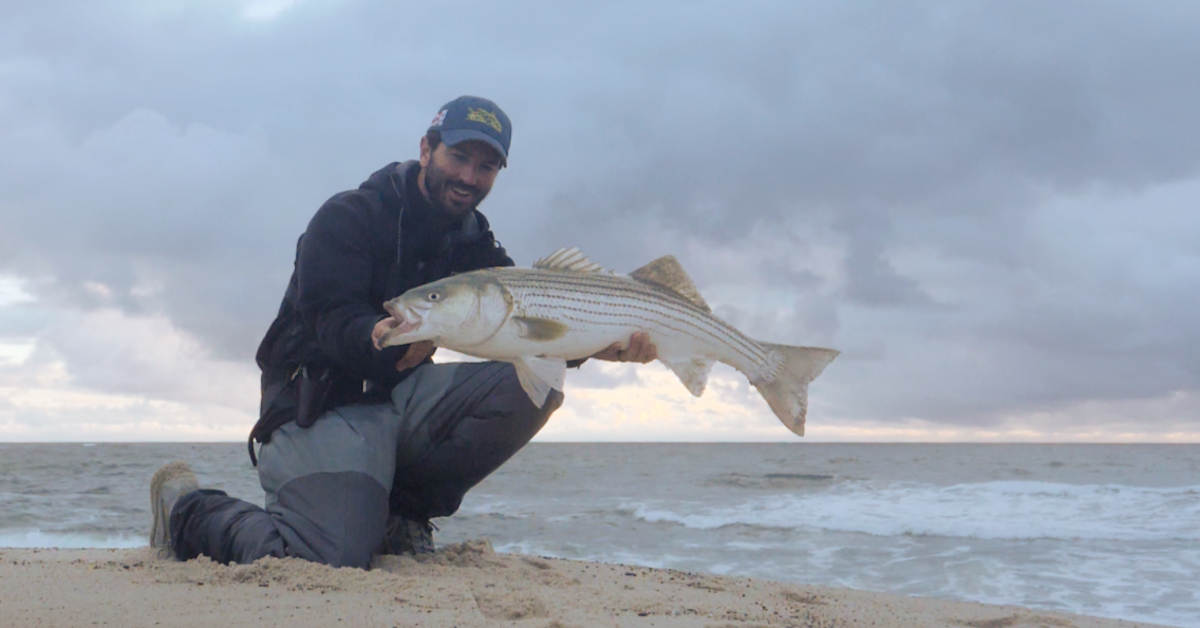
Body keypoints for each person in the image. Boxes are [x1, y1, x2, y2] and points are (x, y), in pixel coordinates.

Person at [148, 96, 656, 569]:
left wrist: (597, 343)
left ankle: (401, 516)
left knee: (535, 385)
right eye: (459, 157)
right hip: (322, 405)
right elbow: (327, 316)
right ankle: (186, 509)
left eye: (487, 167)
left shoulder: (477, 244)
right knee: (328, 558)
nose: (469, 177)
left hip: (403, 399)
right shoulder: (347, 217)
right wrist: (374, 336)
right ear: (426, 149)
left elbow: (531, 331)